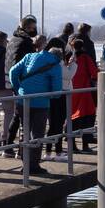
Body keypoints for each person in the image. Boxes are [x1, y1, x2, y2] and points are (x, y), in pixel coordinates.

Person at [9, 37, 66, 175]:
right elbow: (57, 89)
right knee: (37, 134)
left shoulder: (29, 56)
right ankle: (33, 166)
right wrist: (52, 96)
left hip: (23, 100)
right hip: (40, 103)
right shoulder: (55, 64)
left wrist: (18, 89)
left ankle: (25, 164)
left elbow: (12, 72)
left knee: (25, 131)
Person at [3, 15, 38, 156]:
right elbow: (30, 64)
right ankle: (22, 150)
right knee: (23, 116)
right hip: (24, 82)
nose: (35, 30)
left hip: (11, 81)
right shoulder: (25, 42)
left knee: (18, 115)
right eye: (34, 28)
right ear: (29, 27)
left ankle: (9, 146)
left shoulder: (12, 40)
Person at [43, 36, 72, 157]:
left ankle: (48, 151)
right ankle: (58, 151)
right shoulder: (58, 65)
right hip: (60, 95)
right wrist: (73, 64)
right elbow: (69, 75)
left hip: (49, 97)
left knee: (52, 125)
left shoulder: (45, 63)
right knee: (58, 125)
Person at [68, 34, 98, 151]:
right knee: (87, 118)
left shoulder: (69, 58)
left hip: (72, 91)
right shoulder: (85, 58)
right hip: (84, 92)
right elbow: (94, 73)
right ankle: (85, 145)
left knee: (73, 118)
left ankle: (73, 145)